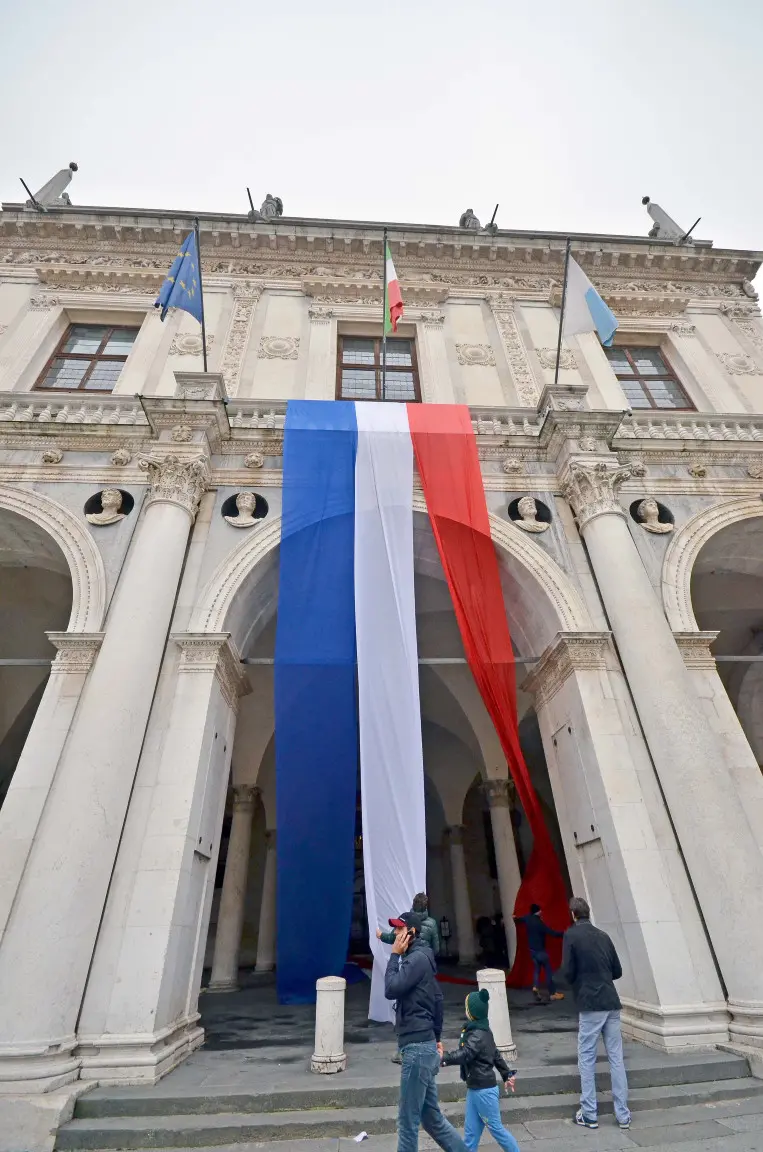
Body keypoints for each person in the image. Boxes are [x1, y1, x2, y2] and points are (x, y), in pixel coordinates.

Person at [385, 911, 468, 1152]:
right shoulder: (423, 958)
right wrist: (437, 1038)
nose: (395, 933)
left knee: (408, 1120)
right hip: (424, 1043)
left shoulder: (415, 959)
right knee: (431, 1118)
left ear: (411, 932)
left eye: (399, 929)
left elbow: (391, 988)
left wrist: (393, 957)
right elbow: (438, 1000)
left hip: (416, 1047)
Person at [562, 897, 631, 1131]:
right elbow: (617, 971)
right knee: (616, 1058)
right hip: (611, 1001)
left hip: (590, 1003)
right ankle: (623, 1115)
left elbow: (568, 971)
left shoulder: (571, 935)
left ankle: (590, 1113)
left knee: (587, 1057)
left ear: (572, 914)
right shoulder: (603, 936)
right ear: (587, 913)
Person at [441, 989, 519, 1152]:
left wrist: (444, 1058)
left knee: (497, 1130)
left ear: (472, 1012)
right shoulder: (483, 1031)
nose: (465, 1011)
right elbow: (496, 1055)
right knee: (471, 1135)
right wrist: (506, 1074)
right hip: (475, 1088)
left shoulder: (477, 1034)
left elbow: (466, 1054)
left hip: (484, 1091)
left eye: (466, 1008)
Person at [514, 904, 564, 1001]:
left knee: (536, 970)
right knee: (548, 972)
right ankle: (553, 993)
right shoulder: (539, 923)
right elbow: (552, 933)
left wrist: (514, 917)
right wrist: (564, 933)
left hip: (532, 951)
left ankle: (535, 987)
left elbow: (518, 920)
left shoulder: (527, 918)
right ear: (539, 911)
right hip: (541, 951)